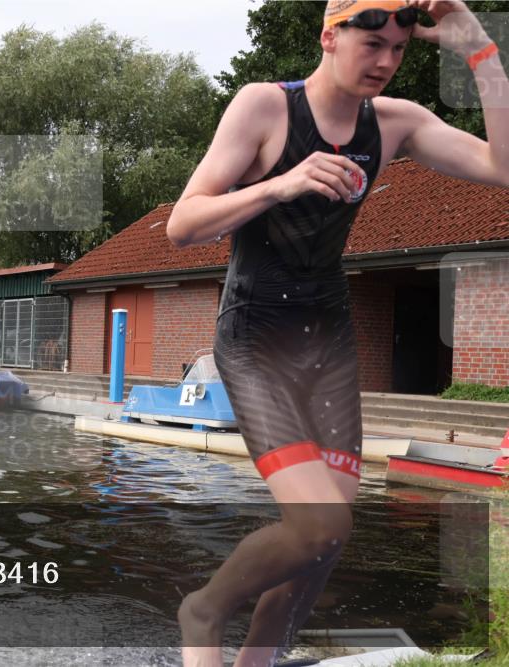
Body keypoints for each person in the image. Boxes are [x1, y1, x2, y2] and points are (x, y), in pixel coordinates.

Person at [165, 2, 507, 665]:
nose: (384, 62)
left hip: (329, 339)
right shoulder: (263, 107)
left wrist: (481, 52)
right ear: (329, 36)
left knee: (322, 545)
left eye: (399, 50)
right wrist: (282, 183)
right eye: (371, 43)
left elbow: (503, 165)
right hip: (256, 334)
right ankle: (204, 608)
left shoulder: (397, 122)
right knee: (320, 520)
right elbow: (185, 221)